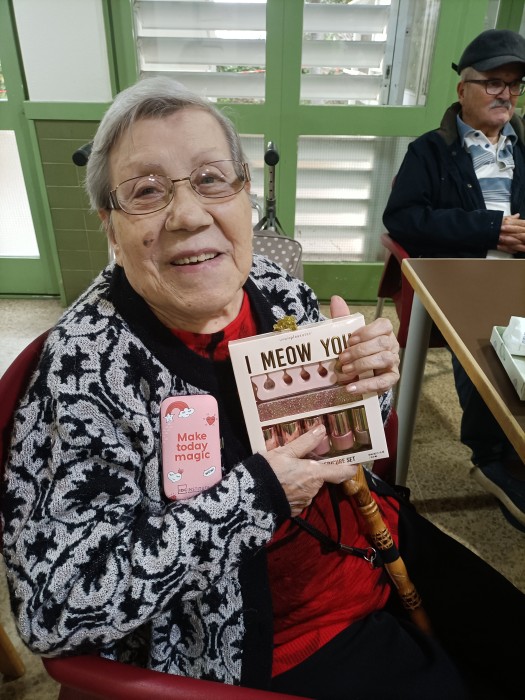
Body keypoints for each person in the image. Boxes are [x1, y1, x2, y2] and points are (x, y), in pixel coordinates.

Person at [2, 76, 524, 700]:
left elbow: (337, 433)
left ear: (244, 192)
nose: (189, 214)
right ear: (111, 229)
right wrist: (258, 495)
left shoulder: (272, 288)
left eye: (211, 179)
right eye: (146, 191)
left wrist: (367, 385)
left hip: (372, 532)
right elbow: (54, 607)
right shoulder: (86, 369)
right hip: (267, 632)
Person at [383, 29, 525, 531]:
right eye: (493, 83)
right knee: (489, 349)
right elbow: (403, 219)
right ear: (463, 88)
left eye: (514, 84)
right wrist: (488, 229)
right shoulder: (431, 151)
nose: (506, 94)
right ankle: (493, 455)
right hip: (462, 274)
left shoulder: (524, 147)